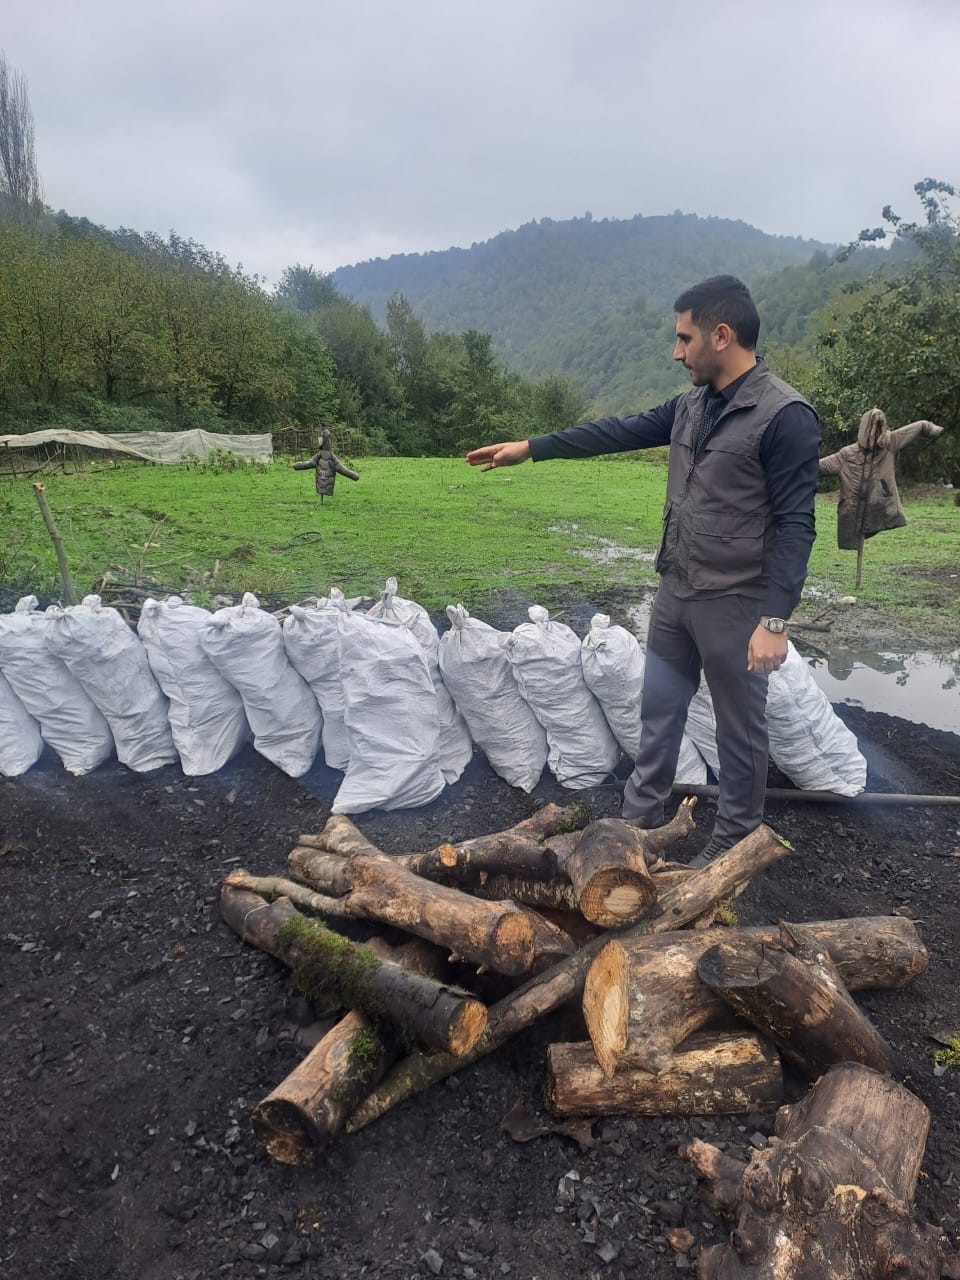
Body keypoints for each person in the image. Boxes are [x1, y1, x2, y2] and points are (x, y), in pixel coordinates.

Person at [465, 275, 821, 864]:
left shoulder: (785, 416)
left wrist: (775, 620)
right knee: (658, 708)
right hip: (676, 589)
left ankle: (735, 840)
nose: (677, 353)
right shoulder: (691, 406)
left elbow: (796, 525)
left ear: (722, 335)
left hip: (735, 602)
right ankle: (641, 814)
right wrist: (532, 447)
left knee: (740, 731)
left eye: (685, 339)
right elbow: (616, 431)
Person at [292, 426, 360, 503]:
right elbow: (342, 469)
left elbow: (309, 463)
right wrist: (354, 475)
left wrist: (298, 466)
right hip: (327, 481)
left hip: (320, 479)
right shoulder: (330, 456)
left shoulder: (319, 455)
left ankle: (322, 499)